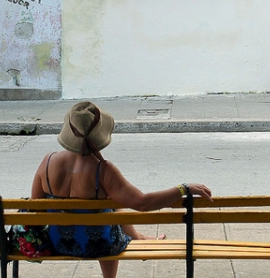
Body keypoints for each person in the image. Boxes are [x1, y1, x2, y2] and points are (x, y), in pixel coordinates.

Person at [31, 101, 212, 278]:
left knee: (111, 208)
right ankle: (123, 259)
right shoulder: (103, 170)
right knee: (111, 211)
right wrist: (183, 188)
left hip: (57, 242)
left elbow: (36, 209)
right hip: (99, 245)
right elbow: (143, 203)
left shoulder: (48, 161)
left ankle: (139, 238)